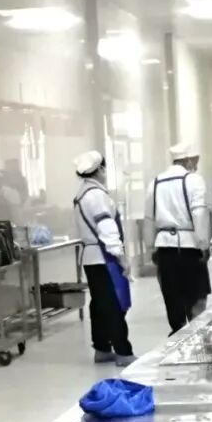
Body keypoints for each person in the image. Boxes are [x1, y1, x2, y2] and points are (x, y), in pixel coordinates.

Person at [73, 151, 134, 366]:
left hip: (91, 258)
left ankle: (102, 348)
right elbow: (107, 228)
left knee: (99, 304)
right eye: (104, 168)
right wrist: (121, 257)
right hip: (103, 257)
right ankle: (123, 352)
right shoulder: (97, 196)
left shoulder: (82, 193)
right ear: (99, 169)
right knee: (113, 304)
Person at [147, 142, 211, 335]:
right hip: (189, 246)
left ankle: (177, 333)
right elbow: (199, 214)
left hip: (164, 247)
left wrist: (151, 246)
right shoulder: (194, 181)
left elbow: (149, 218)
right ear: (188, 160)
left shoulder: (155, 183)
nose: (196, 165)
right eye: (195, 161)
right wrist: (204, 244)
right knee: (196, 295)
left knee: (172, 295)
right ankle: (196, 334)